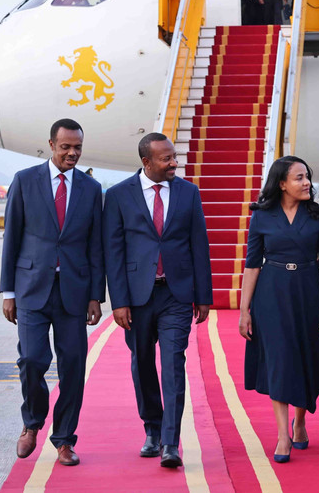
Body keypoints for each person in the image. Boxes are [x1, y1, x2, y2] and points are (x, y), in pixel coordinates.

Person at [103, 132, 213, 468]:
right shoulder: (118, 195)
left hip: (176, 294)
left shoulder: (188, 192)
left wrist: (203, 296)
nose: (174, 163)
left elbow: (199, 245)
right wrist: (118, 301)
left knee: (173, 363)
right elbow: (113, 252)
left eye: (174, 156)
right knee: (142, 363)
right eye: (166, 159)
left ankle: (169, 442)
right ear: (146, 162)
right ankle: (151, 427)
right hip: (137, 297)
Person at [0, 118, 104, 467]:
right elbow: (12, 238)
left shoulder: (91, 188)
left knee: (73, 365)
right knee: (32, 360)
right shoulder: (25, 181)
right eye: (65, 147)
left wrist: (96, 295)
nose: (72, 153)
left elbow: (95, 245)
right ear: (51, 145)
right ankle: (32, 423)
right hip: (31, 289)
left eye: (77, 148)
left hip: (74, 291)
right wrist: (8, 292)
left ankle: (64, 439)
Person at [239, 156, 319, 463]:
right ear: (282, 183)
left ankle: (300, 422)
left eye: (307, 176)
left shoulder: (318, 214)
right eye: (299, 177)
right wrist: (245, 310)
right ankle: (282, 435)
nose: (307, 182)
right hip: (271, 295)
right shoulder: (262, 215)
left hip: (309, 291)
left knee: (304, 358)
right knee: (279, 361)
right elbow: (252, 264)